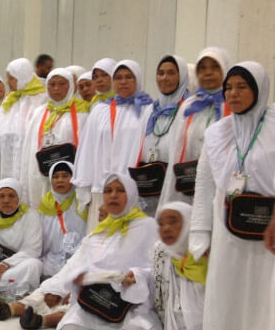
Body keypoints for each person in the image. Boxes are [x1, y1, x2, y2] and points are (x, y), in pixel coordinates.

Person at [189, 62, 275, 330]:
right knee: (228, 292)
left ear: (259, 90)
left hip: (269, 229)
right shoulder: (218, 131)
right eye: (229, 87)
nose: (233, 93)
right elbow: (205, 185)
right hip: (229, 226)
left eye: (242, 86)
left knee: (263, 296)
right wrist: (201, 233)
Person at [56, 172, 161, 330]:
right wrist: (81, 278)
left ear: (132, 194)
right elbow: (82, 265)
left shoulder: (147, 226)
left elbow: (159, 269)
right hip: (98, 300)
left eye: (120, 190)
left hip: (131, 305)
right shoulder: (100, 230)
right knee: (69, 328)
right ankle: (107, 329)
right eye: (108, 191)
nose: (113, 195)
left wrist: (138, 276)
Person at [74, 59, 153, 225]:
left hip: (133, 190)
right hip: (102, 189)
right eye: (118, 78)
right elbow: (87, 149)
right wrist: (84, 188)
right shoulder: (99, 111)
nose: (123, 82)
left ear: (137, 79)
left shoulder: (147, 110)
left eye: (128, 77)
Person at [157, 47, 230, 209]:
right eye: (202, 68)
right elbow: (176, 153)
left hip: (221, 186)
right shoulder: (189, 106)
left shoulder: (232, 105)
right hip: (189, 186)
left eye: (215, 67)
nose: (208, 73)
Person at [18, 68, 88, 205]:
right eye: (52, 84)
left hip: (69, 176)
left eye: (62, 84)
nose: (56, 88)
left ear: (71, 86)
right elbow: (28, 147)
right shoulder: (39, 112)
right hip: (41, 175)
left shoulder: (82, 112)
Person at [0, 58, 47, 201]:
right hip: (7, 162)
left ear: (22, 76)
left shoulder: (41, 99)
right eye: (8, 78)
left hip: (28, 160)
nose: (8, 83)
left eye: (12, 78)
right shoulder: (10, 101)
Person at [134, 55, 190, 215]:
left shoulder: (188, 109)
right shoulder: (151, 110)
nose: (165, 78)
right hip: (150, 186)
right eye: (161, 73)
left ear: (182, 76)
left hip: (175, 185)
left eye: (171, 73)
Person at [154, 202, 206, 330]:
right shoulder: (165, 253)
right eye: (161, 224)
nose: (166, 228)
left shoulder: (204, 256)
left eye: (174, 221)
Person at [35, 161, 87, 279]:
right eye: (55, 177)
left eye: (65, 176)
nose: (60, 180)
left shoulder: (82, 201)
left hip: (77, 260)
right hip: (50, 261)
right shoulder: (46, 203)